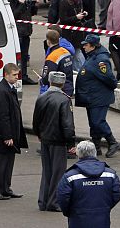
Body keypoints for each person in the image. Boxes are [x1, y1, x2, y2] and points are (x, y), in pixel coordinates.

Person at [33, 71, 76, 212]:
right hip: (58, 141)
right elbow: (67, 125)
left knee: (47, 171)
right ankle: (54, 202)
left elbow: (36, 120)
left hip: (45, 139)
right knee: (58, 173)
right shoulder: (64, 100)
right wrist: (71, 143)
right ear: (62, 84)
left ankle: (43, 201)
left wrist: (39, 134)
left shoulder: (42, 97)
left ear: (50, 81)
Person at [0, 62, 28, 200]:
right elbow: (3, 116)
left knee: (8, 162)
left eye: (18, 75)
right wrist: (7, 136)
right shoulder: (2, 91)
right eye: (14, 75)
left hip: (10, 134)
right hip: (2, 135)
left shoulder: (9, 88)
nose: (17, 77)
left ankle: (5, 188)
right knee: (0, 162)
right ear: (6, 75)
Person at [57, 140, 120, 227]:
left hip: (77, 220)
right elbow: (116, 194)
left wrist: (71, 212)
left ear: (78, 154)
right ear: (94, 152)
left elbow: (62, 198)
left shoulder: (69, 176)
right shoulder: (110, 174)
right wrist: (104, 208)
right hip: (102, 220)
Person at [76, 34, 120, 158]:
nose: (84, 47)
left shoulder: (101, 60)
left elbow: (109, 79)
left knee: (98, 121)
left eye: (86, 45)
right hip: (91, 96)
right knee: (93, 123)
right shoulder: (92, 56)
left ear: (93, 46)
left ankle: (112, 142)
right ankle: (96, 146)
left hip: (99, 97)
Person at [40, 30, 75, 97]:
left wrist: (42, 79)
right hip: (68, 87)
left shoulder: (52, 57)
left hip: (58, 91)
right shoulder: (66, 52)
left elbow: (47, 78)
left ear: (48, 41)